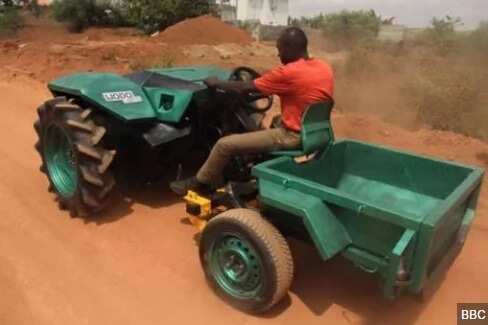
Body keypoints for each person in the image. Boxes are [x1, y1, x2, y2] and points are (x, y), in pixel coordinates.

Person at [170, 27, 334, 196]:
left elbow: (246, 87)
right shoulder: (323, 67)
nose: (279, 55)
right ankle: (258, 166)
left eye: (280, 50)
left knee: (224, 145)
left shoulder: (289, 72)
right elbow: (268, 87)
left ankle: (200, 183)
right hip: (316, 132)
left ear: (290, 48)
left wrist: (216, 84)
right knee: (276, 119)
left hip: (293, 136)